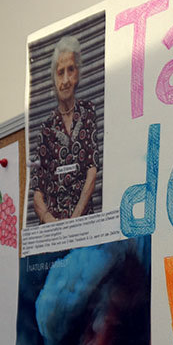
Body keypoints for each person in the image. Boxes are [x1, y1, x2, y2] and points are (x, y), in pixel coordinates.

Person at [32, 35, 101, 223]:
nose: (65, 80)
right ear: (54, 79)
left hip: (83, 222)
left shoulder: (87, 112)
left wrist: (74, 220)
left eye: (70, 70)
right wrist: (54, 225)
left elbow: (92, 170)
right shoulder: (46, 129)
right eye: (60, 72)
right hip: (54, 227)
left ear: (78, 72)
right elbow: (37, 193)